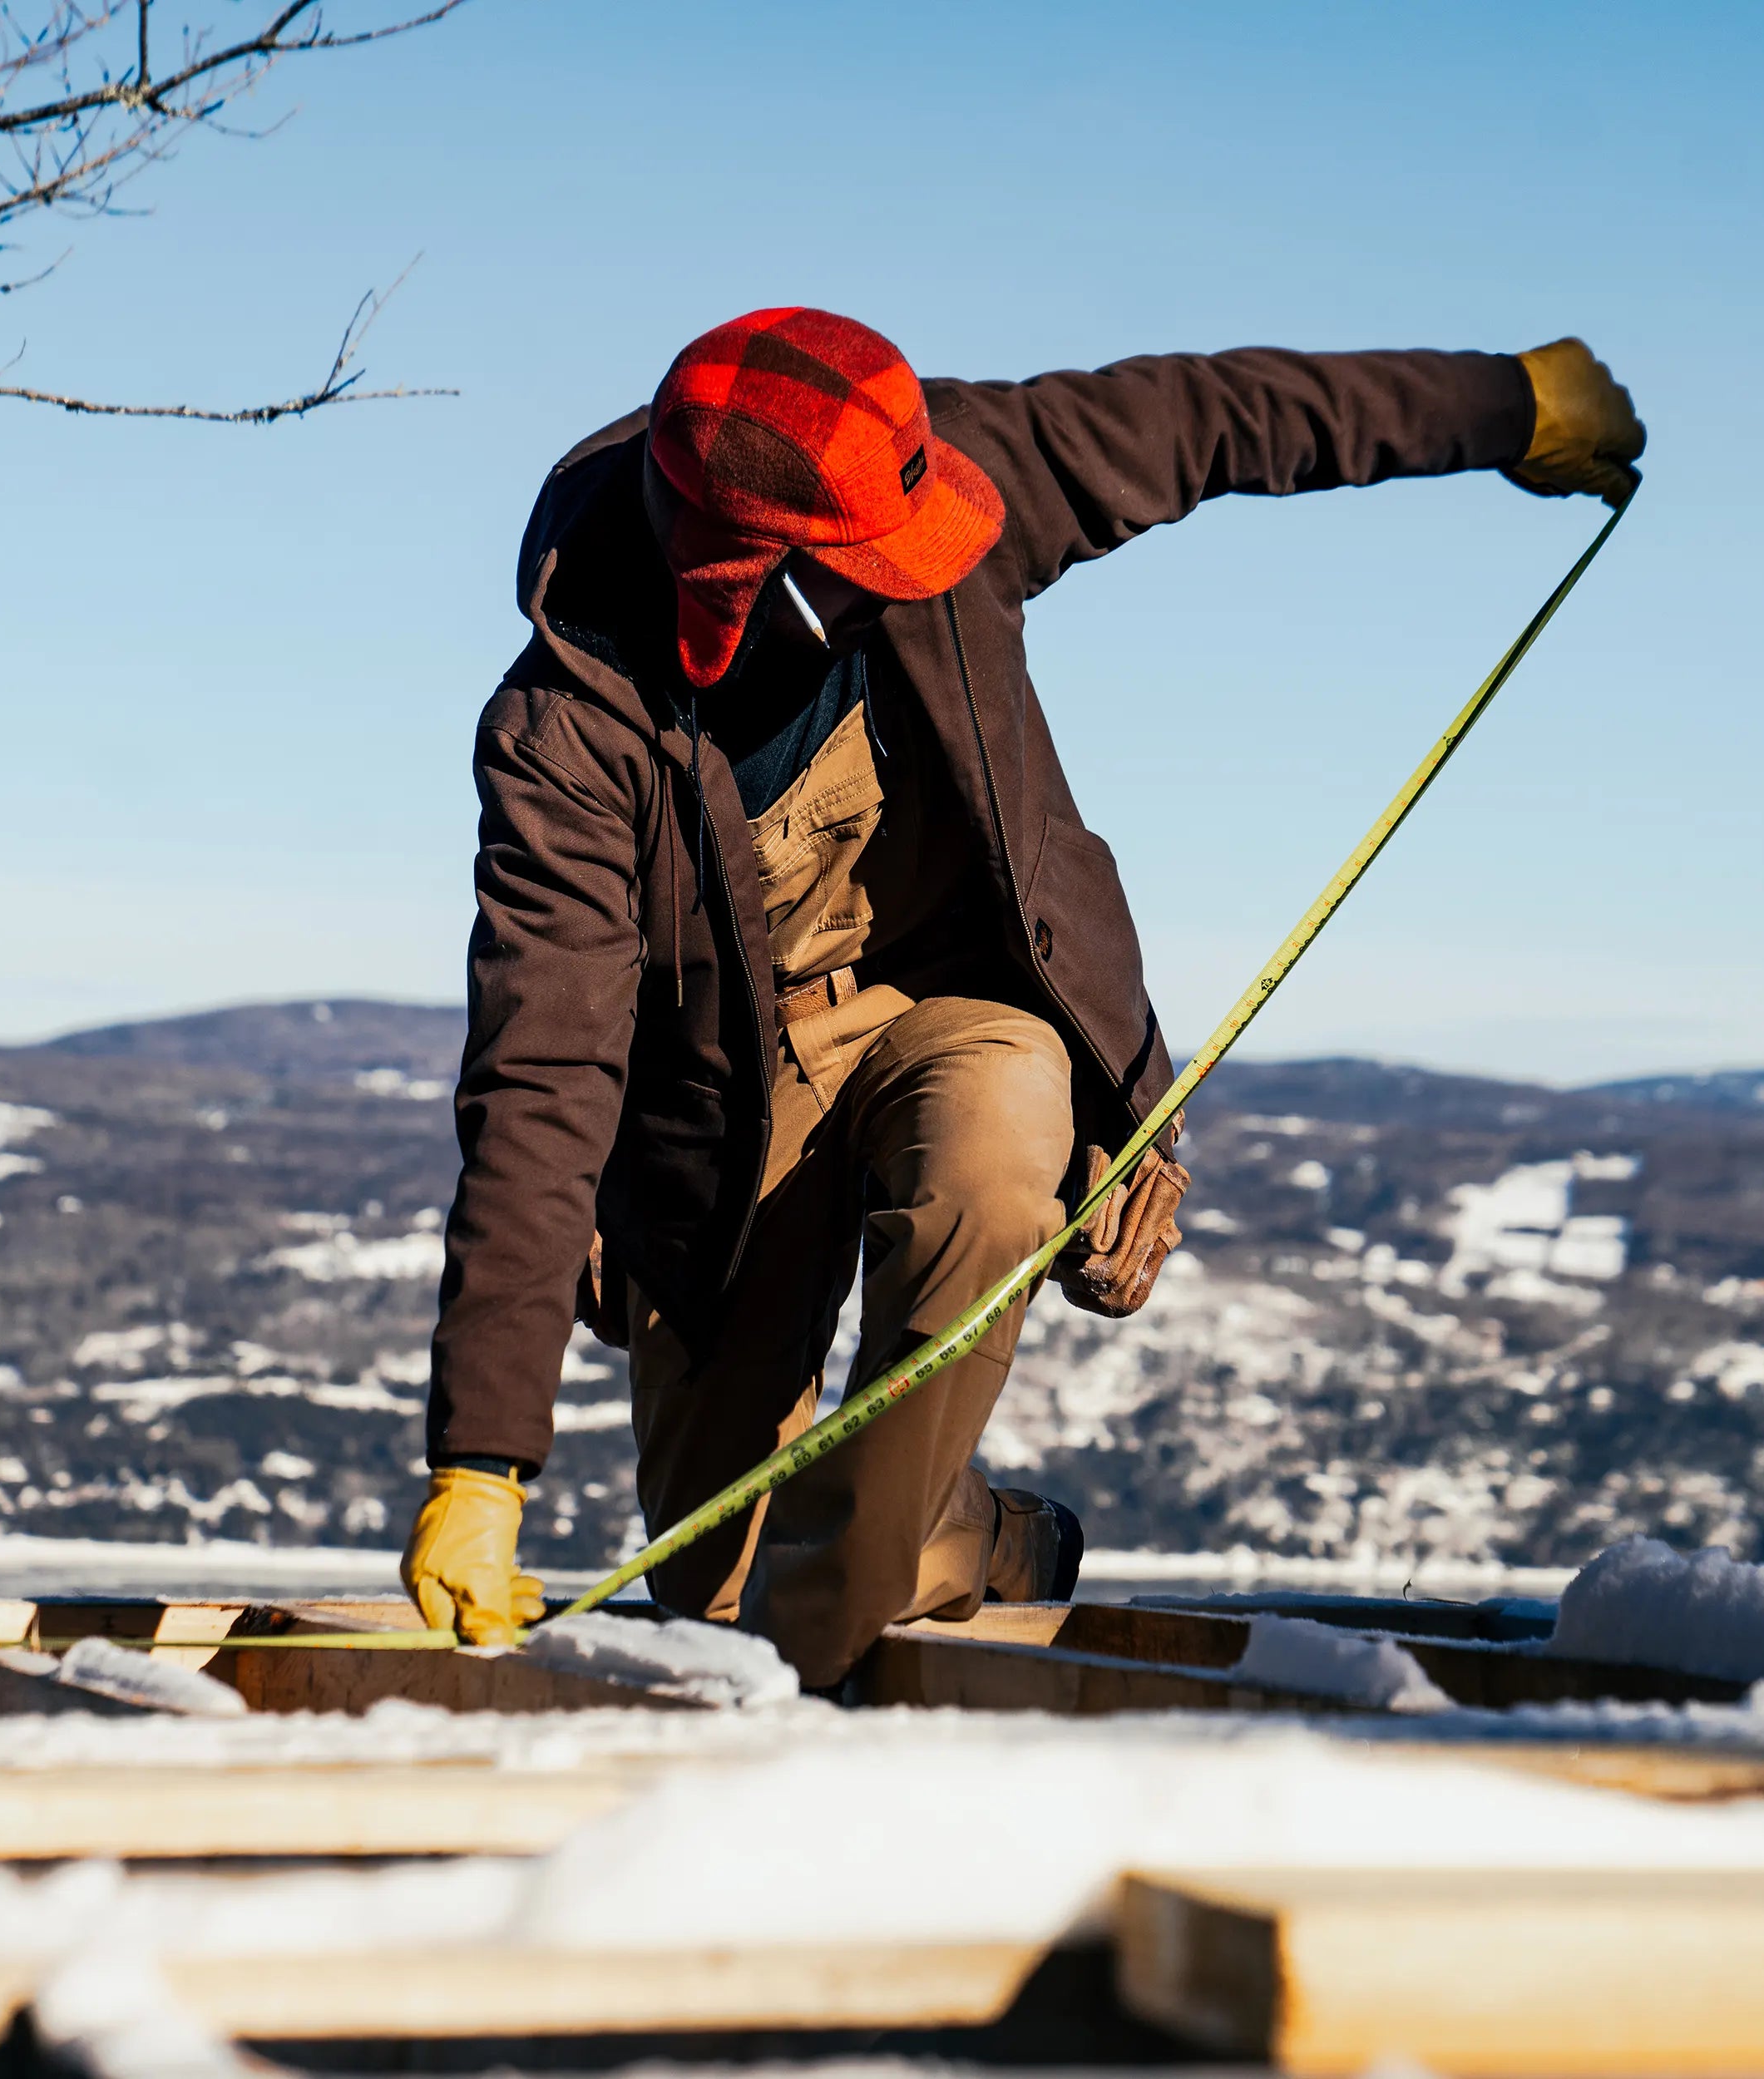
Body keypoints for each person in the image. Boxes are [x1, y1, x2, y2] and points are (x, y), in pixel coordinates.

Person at [402, 310, 1643, 1688]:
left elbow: (1220, 416)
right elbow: (542, 1071)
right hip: (720, 1103)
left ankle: (777, 1726)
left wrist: (1511, 404)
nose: (917, 569)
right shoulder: (567, 735)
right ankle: (962, 1538)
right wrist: (482, 1459)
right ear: (748, 583)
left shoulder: (937, 466)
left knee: (991, 1145)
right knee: (719, 1581)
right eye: (871, 572)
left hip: (953, 1012)